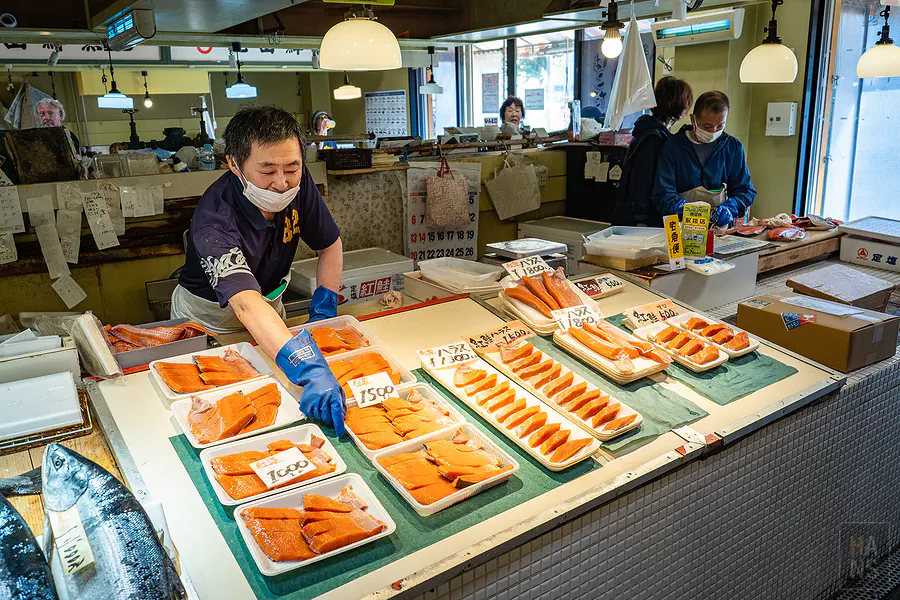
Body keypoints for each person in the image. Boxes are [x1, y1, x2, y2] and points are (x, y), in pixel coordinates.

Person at [171, 105, 346, 434]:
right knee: (227, 412)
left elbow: (330, 245)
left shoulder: (297, 182)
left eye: (292, 168)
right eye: (267, 171)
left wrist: (325, 311)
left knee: (283, 403)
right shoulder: (214, 218)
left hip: (269, 312)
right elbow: (245, 303)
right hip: (211, 324)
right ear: (234, 165)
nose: (281, 184)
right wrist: (308, 368)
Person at [652, 91, 756, 227]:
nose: (713, 131)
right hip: (681, 226)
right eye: (707, 126)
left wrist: (731, 207)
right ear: (693, 120)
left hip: (719, 228)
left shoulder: (733, 148)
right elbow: (662, 194)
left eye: (720, 126)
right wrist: (686, 210)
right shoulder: (673, 147)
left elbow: (745, 191)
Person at [615, 77, 694, 227]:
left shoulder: (650, 132)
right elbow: (642, 182)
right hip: (642, 220)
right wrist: (641, 220)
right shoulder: (653, 139)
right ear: (680, 107)